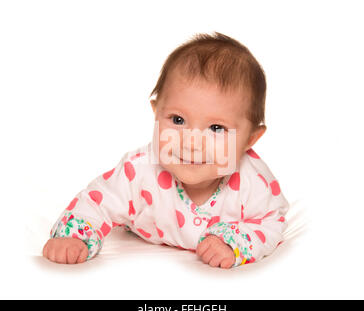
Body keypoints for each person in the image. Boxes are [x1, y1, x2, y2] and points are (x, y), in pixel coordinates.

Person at [42, 31, 289, 268]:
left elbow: (271, 223)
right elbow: (98, 201)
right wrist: (74, 237)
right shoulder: (139, 170)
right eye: (178, 120)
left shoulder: (253, 183)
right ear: (156, 112)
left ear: (250, 139)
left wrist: (231, 241)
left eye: (216, 127)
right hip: (138, 224)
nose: (192, 142)